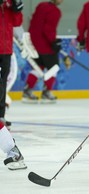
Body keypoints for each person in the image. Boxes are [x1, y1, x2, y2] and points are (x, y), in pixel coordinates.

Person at [0, 0, 27, 170]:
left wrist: (17, 9)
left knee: (2, 87)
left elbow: (17, 22)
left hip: (5, 49)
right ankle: (12, 151)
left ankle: (12, 151)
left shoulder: (9, 3)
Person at [22, 0, 64, 104]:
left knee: (38, 67)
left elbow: (33, 23)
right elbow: (48, 29)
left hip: (34, 43)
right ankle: (46, 92)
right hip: (45, 45)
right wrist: (53, 42)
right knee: (53, 68)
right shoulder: (55, 11)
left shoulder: (41, 5)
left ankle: (27, 91)